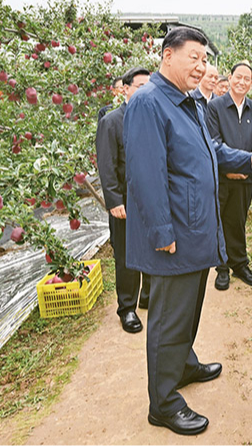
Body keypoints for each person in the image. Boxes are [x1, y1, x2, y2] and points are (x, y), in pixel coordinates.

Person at [124, 27, 252, 436]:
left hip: (194, 229)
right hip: (173, 235)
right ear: (167, 56)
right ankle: (164, 403)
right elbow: (145, 175)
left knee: (188, 309)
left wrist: (247, 158)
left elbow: (212, 150)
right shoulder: (149, 103)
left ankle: (184, 364)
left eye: (205, 59)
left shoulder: (187, 103)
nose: (202, 66)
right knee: (168, 319)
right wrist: (160, 231)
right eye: (194, 57)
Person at [96, 66, 152, 333]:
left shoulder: (152, 117)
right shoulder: (111, 121)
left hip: (150, 198)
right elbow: (106, 166)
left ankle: (147, 295)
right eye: (140, 86)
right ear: (126, 89)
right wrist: (114, 200)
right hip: (125, 202)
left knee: (153, 247)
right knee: (127, 256)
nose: (146, 91)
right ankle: (127, 308)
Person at [206, 61, 252, 291]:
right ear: (229, 78)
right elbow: (214, 142)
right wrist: (231, 167)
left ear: (251, 83)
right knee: (220, 221)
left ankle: (239, 264)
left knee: (239, 221)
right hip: (222, 177)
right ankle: (222, 268)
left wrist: (250, 164)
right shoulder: (216, 107)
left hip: (245, 178)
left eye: (246, 79)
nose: (241, 82)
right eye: (237, 77)